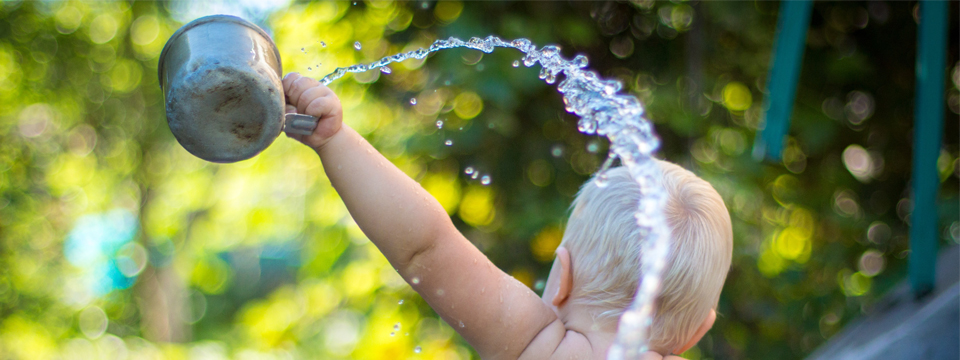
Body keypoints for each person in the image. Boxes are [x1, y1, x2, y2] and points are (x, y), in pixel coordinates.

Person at [281, 73, 733, 360]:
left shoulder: (540, 347)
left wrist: (333, 139)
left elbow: (426, 249)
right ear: (698, 330)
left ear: (562, 280)